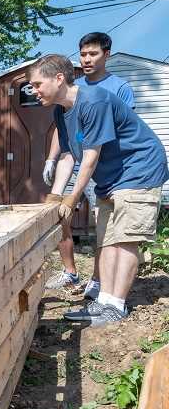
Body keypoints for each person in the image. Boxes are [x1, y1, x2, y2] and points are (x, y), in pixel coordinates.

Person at [29, 54, 168, 326]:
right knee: (105, 239)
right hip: (111, 177)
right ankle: (103, 301)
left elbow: (91, 156)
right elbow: (69, 156)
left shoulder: (94, 100)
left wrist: (72, 197)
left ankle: (116, 306)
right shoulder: (61, 111)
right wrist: (56, 196)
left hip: (138, 169)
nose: (34, 91)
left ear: (58, 78)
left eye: (37, 84)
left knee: (124, 238)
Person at [44, 33, 136, 299]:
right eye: (83, 54)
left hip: (105, 163)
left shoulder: (119, 87)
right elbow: (60, 130)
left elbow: (122, 128)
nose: (86, 59)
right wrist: (52, 158)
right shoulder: (74, 87)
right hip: (74, 159)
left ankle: (97, 279)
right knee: (60, 213)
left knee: (102, 222)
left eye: (93, 54)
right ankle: (70, 271)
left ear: (106, 54)